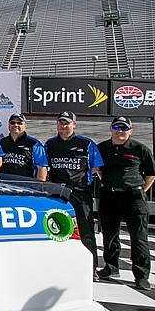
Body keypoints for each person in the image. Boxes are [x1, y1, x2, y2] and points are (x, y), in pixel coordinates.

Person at [96, 116, 155, 290]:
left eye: (124, 128)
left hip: (134, 197)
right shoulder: (102, 148)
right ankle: (110, 268)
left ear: (130, 131)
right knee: (109, 235)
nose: (119, 131)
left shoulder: (140, 149)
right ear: (111, 129)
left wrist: (140, 189)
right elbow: (98, 170)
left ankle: (141, 275)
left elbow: (151, 173)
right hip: (109, 195)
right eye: (116, 127)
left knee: (138, 238)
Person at [45, 111, 103, 275]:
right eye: (61, 123)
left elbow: (96, 168)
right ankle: (60, 266)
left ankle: (90, 269)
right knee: (56, 228)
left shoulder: (86, 144)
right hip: (58, 192)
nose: (63, 126)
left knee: (85, 230)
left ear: (74, 125)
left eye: (67, 123)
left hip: (79, 191)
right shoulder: (50, 144)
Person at [0, 113, 48, 180]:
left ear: (25, 126)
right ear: (9, 125)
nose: (15, 125)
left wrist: (39, 187)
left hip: (25, 186)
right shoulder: (1, 143)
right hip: (4, 185)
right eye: (12, 123)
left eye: (19, 123)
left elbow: (42, 168)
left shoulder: (34, 144)